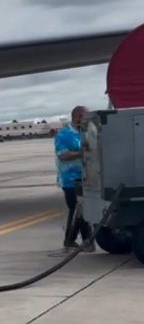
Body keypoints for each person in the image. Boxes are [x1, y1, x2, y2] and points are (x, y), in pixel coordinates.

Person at [54, 105, 93, 251]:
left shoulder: (87, 132)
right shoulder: (64, 134)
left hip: (87, 177)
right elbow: (63, 155)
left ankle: (70, 240)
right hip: (70, 179)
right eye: (86, 117)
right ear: (78, 117)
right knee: (78, 209)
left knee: (80, 210)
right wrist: (82, 153)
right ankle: (87, 240)